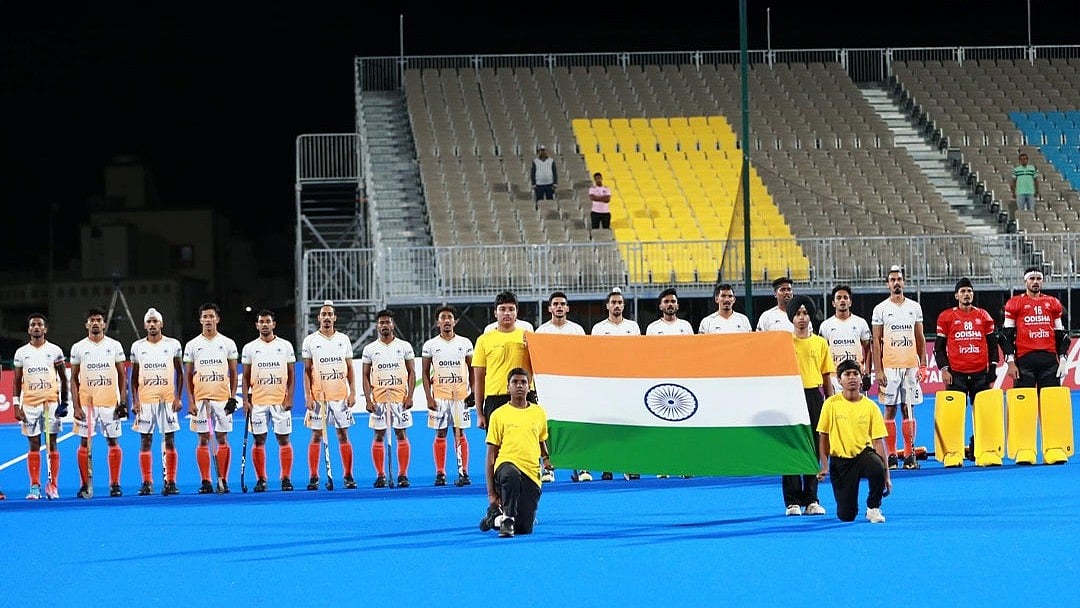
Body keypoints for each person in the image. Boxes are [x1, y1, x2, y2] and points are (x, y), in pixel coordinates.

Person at [816, 359, 892, 524]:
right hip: (840, 462)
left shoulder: (871, 407)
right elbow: (823, 437)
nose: (852, 378)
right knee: (846, 515)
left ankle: (873, 508)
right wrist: (824, 464)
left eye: (855, 374)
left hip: (863, 456)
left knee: (876, 466)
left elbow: (879, 443)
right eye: (847, 374)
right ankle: (851, 506)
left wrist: (886, 475)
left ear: (861, 378)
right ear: (839, 379)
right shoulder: (830, 404)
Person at [482, 367, 551, 538]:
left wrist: (547, 458)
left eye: (523, 382)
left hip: (531, 472)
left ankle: (495, 519)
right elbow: (491, 454)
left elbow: (542, 439)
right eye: (515, 382)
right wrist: (491, 493)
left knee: (525, 528)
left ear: (529, 387)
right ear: (508, 387)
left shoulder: (539, 412)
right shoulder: (498, 415)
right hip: (506, 466)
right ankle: (507, 520)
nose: (519, 386)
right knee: (510, 474)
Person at [870, 265, 928, 471]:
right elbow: (876, 341)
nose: (896, 283)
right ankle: (892, 455)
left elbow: (920, 337)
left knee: (908, 409)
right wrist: (878, 370)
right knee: (890, 409)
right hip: (890, 367)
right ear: (888, 284)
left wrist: (923, 364)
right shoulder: (880, 309)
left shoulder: (914, 307)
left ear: (904, 282)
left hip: (910, 367)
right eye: (892, 279)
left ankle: (910, 454)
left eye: (899, 279)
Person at [783, 296, 835, 517]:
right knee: (791, 447)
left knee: (815, 446)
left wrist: (831, 404)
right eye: (797, 314)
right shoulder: (783, 343)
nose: (801, 318)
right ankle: (792, 501)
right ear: (791, 317)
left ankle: (812, 499)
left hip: (814, 396)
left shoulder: (820, 343)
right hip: (789, 396)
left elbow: (826, 377)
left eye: (805, 313)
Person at [71, 307, 128, 498]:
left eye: (98, 320)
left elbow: (122, 375)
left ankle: (115, 484)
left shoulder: (114, 345)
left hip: (110, 402)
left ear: (104, 324)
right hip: (87, 404)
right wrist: (76, 406)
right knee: (84, 442)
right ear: (86, 324)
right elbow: (73, 379)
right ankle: (84, 484)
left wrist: (123, 401)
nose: (95, 323)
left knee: (113, 441)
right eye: (92, 320)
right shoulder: (78, 347)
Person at [587, 287, 642, 482]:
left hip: (628, 383)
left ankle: (630, 465)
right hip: (606, 383)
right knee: (607, 426)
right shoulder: (599, 329)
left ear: (623, 305)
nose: (616, 306)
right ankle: (607, 466)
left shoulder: (633, 327)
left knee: (629, 426)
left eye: (620, 302)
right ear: (607, 306)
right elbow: (594, 356)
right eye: (613, 302)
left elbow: (639, 354)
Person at [302, 300, 359, 490]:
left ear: (334, 318)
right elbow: (307, 371)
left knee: (343, 434)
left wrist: (353, 392)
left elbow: (350, 368)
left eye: (330, 314)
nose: (326, 317)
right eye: (323, 314)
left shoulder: (343, 339)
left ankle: (348, 475)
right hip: (319, 397)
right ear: (318, 318)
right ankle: (313, 476)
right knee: (316, 436)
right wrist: (308, 396)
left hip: (340, 396)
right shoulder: (310, 341)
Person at [184, 302, 240, 494]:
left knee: (222, 438)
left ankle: (223, 478)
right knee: (203, 439)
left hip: (222, 399)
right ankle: (206, 480)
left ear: (217, 319)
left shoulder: (228, 343)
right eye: (205, 317)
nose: (208, 320)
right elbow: (187, 375)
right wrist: (190, 401)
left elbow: (233, 372)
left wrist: (232, 397)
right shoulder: (192, 345)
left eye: (211, 316)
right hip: (201, 400)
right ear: (200, 320)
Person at [12, 313, 68, 500]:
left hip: (51, 403)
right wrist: (16, 405)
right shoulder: (21, 353)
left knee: (52, 442)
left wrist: (65, 401)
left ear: (45, 329)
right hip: (29, 404)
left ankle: (53, 485)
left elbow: (63, 377)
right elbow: (17, 380)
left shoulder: (55, 350)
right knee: (33, 443)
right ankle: (34, 486)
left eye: (39, 325)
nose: (36, 327)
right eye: (33, 325)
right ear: (29, 329)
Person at [241, 309, 297, 492]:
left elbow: (291, 374)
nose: (265, 324)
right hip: (258, 402)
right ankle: (261, 479)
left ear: (274, 324)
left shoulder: (286, 346)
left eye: (268, 321)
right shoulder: (249, 348)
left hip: (279, 401)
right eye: (261, 321)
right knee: (259, 439)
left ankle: (286, 478)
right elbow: (245, 377)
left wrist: (289, 397)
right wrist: (245, 401)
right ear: (257, 325)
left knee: (283, 439)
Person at [129, 308, 184, 496]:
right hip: (146, 401)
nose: (152, 325)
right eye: (149, 322)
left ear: (161, 324)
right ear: (145, 325)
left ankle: (171, 481)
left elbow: (180, 373)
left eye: (155, 321)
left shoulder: (173, 344)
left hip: (167, 400)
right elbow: (133, 377)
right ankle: (147, 481)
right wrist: (135, 401)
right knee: (145, 440)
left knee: (169, 439)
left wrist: (178, 397)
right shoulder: (137, 346)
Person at [362, 309, 417, 488]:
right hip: (379, 400)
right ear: (377, 326)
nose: (385, 325)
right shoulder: (370, 349)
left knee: (401, 434)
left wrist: (409, 396)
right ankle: (380, 475)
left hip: (399, 400)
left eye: (388, 322)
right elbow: (364, 375)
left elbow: (412, 372)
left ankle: (402, 475)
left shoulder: (404, 346)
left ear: (392, 324)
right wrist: (368, 400)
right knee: (379, 435)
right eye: (381, 323)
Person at [421, 305, 474, 487]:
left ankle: (463, 470)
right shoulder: (430, 345)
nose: (446, 321)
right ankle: (440, 472)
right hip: (440, 397)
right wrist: (429, 397)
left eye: (450, 317)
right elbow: (425, 373)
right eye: (443, 317)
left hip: (460, 396)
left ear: (455, 321)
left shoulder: (465, 343)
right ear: (438, 322)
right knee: (441, 433)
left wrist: (472, 391)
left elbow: (472, 370)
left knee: (460, 433)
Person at [474, 291, 533, 432]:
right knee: (496, 449)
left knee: (527, 445)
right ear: (495, 313)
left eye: (511, 309)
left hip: (525, 397)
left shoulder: (529, 338)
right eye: (502, 309)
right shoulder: (483, 340)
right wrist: (479, 413)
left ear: (517, 313)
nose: (507, 313)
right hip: (495, 399)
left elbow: (540, 368)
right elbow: (479, 379)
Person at [1001, 267, 1068, 389]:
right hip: (1024, 361)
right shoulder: (1014, 303)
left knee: (1050, 403)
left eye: (1039, 279)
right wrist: (1010, 362)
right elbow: (1006, 336)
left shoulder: (1053, 302)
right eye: (1032, 279)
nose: (1035, 282)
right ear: (1025, 281)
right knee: (1023, 404)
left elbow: (1061, 334)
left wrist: (1063, 359)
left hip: (1049, 360)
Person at [818, 285, 872, 394]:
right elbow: (821, 353)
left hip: (856, 375)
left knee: (858, 410)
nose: (842, 300)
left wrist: (867, 373)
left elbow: (868, 349)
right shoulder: (825, 326)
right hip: (834, 378)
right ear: (833, 303)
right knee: (836, 410)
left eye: (845, 297)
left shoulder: (860, 323)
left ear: (850, 302)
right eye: (838, 298)